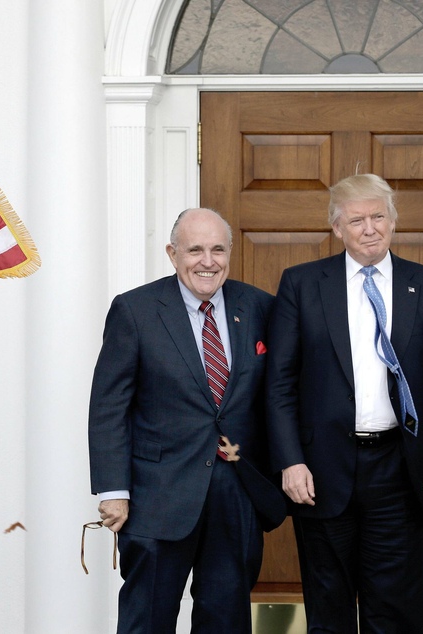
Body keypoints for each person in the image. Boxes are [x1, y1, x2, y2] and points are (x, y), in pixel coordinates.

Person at [266, 174, 423, 633]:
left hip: (402, 470)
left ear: (394, 221)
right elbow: (279, 384)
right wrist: (290, 461)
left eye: (379, 216)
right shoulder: (301, 284)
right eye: (356, 219)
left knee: (396, 613)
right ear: (337, 229)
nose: (370, 228)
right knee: (329, 611)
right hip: (321, 473)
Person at [88, 207, 275, 634]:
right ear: (173, 254)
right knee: (147, 620)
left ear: (229, 252)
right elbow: (109, 406)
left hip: (236, 493)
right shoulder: (135, 310)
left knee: (226, 620)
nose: (207, 261)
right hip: (158, 495)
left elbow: (278, 397)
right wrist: (114, 490)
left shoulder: (261, 306)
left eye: (217, 249)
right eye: (195, 250)